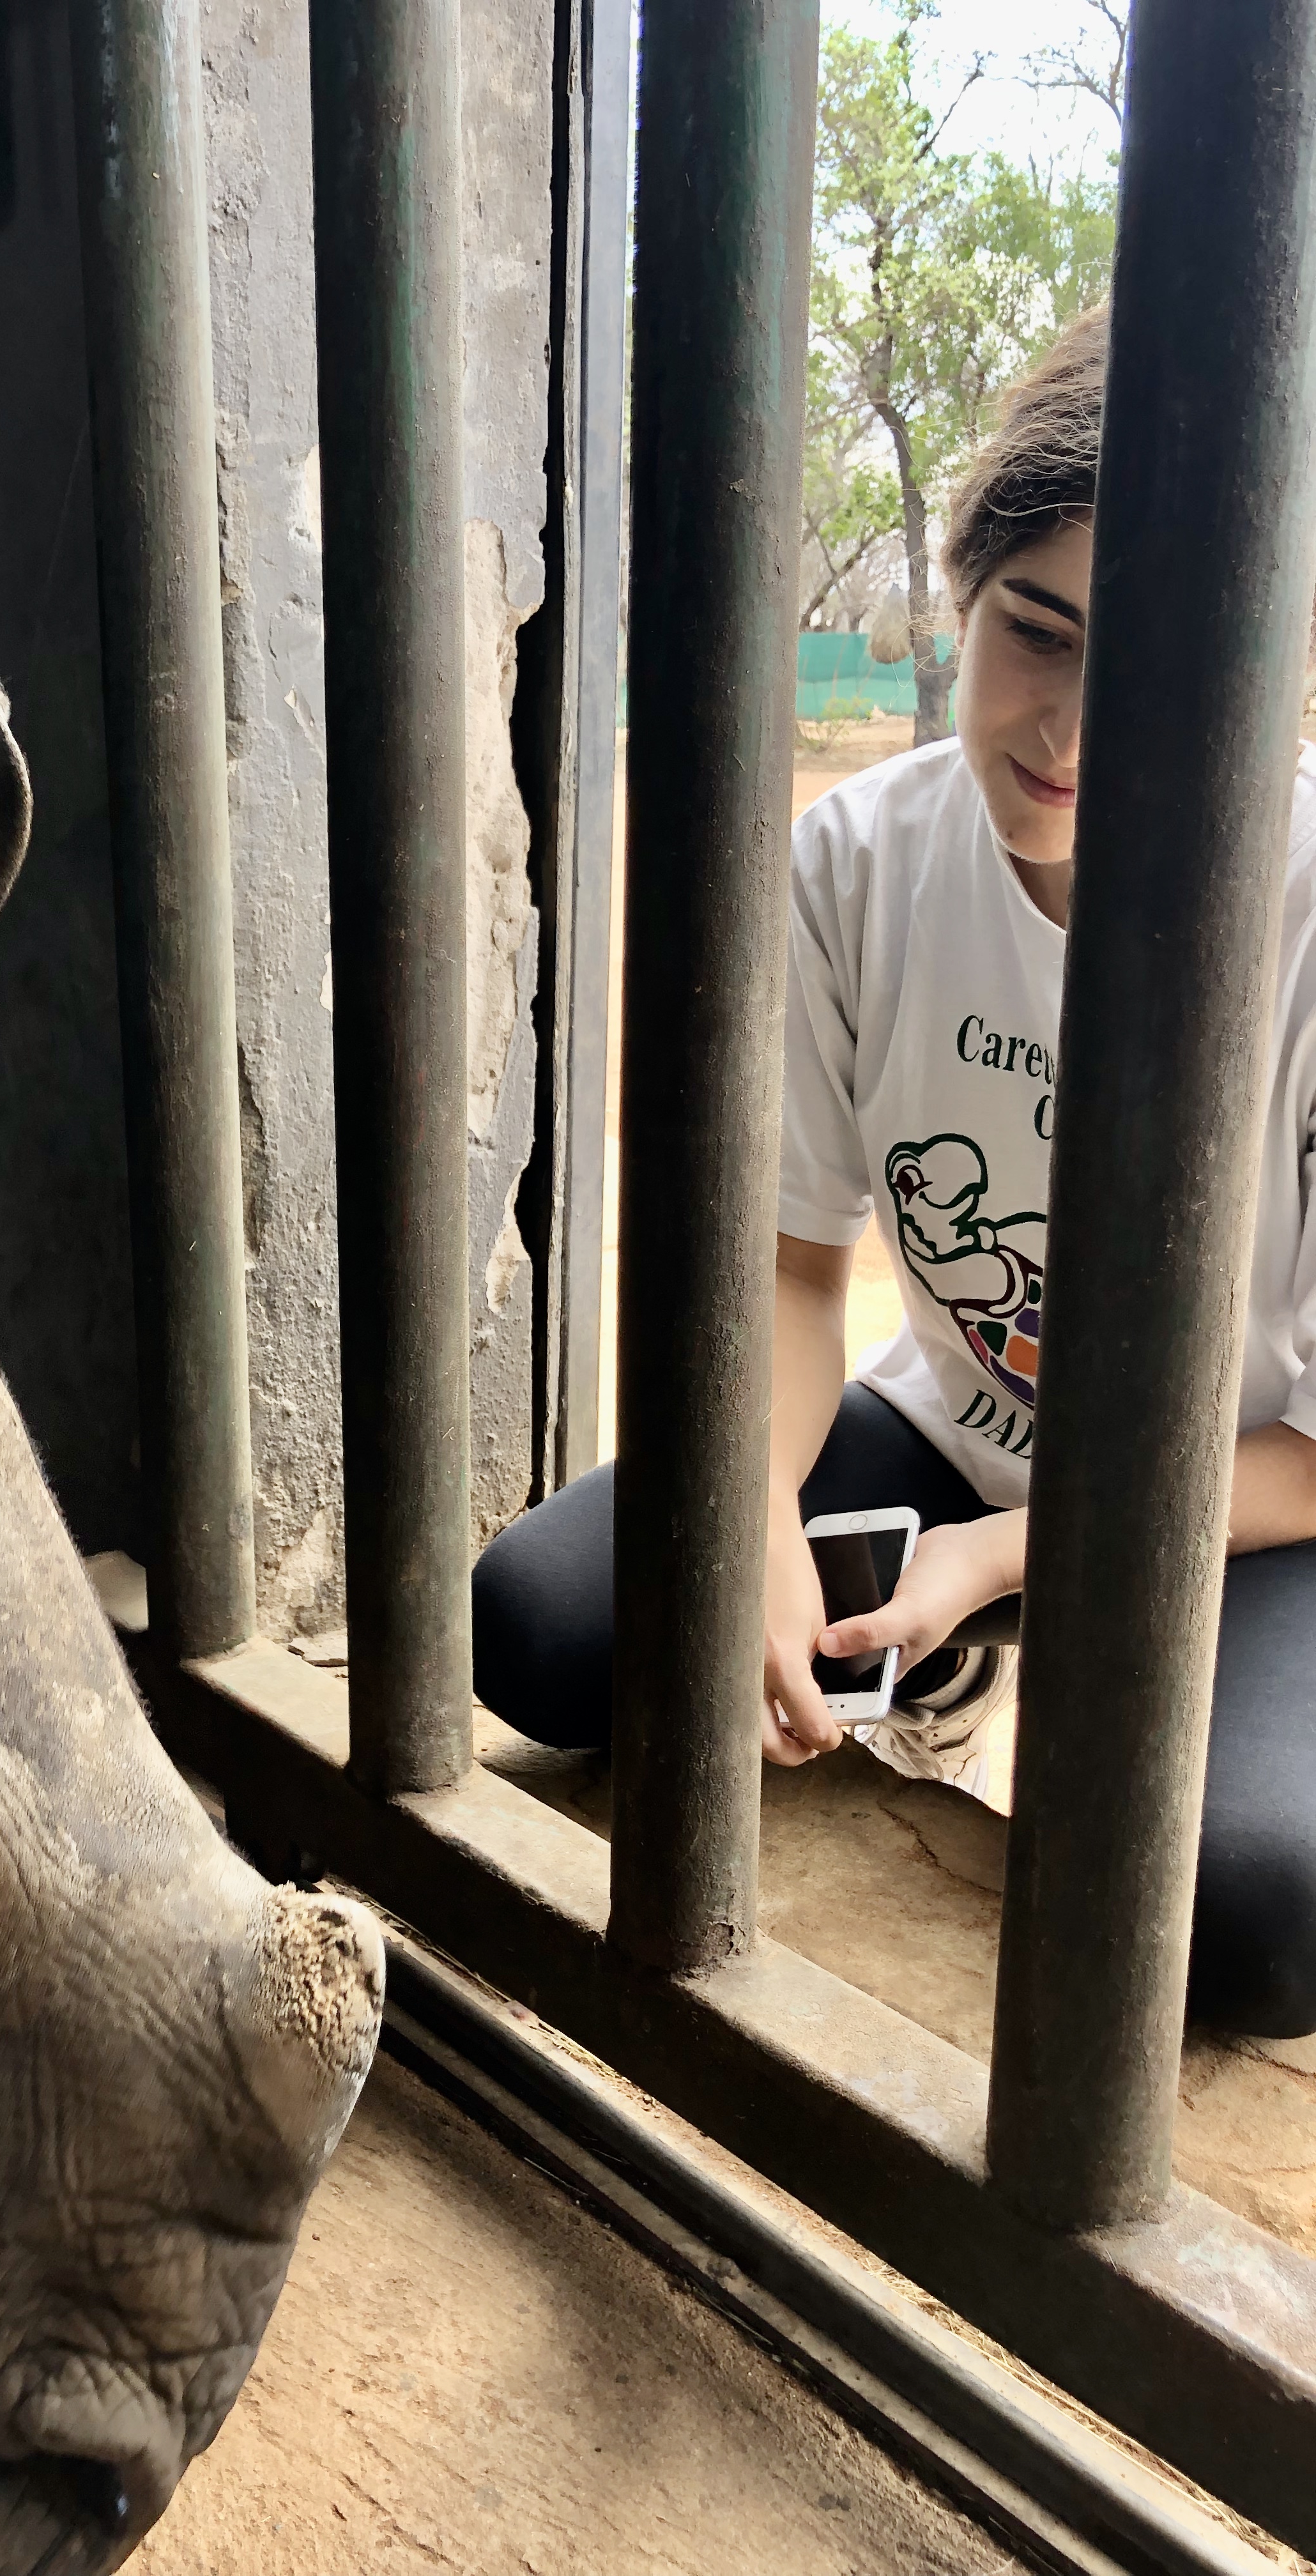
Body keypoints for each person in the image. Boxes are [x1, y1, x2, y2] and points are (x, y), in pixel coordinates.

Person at [470, 304, 1316, 2037]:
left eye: (1155, 675)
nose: (1071, 729)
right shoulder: (859, 859)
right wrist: (758, 1518)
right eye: (1037, 632)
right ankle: (931, 1660)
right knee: (540, 1628)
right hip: (960, 1424)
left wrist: (1002, 1561)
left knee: (1245, 1910)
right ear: (963, 597)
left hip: (1244, 1502)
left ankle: (996, 1633)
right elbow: (796, 1265)